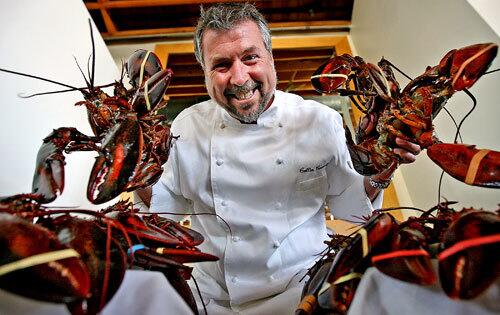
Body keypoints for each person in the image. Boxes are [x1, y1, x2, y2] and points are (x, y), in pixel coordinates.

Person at [148, 3, 421, 315]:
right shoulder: (186, 124)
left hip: (305, 289)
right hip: (214, 299)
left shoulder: (322, 120)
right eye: (221, 65)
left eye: (250, 57)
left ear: (270, 58)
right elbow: (162, 206)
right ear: (205, 73)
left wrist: (385, 164)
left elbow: (353, 203)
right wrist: (133, 168)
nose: (239, 78)